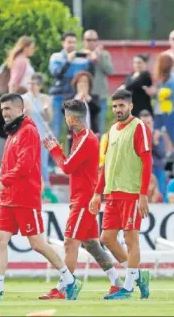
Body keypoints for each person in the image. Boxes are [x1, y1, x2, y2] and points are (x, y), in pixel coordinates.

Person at [0, 93, 79, 302]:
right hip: (9, 197)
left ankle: (70, 280)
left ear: (20, 110)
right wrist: (5, 185)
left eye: (8, 109)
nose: (4, 113)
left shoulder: (28, 131)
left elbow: (26, 165)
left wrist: (3, 182)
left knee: (37, 243)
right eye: (2, 110)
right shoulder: (12, 133)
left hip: (25, 197)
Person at [41, 99, 123, 300]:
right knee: (92, 245)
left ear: (71, 118)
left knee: (70, 242)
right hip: (84, 197)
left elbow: (67, 167)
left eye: (66, 117)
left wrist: (54, 150)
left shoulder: (86, 138)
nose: (66, 121)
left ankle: (64, 287)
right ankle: (118, 283)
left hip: (84, 199)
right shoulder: (82, 137)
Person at [89, 89, 152, 300]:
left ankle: (127, 288)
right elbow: (106, 165)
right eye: (114, 106)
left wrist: (143, 194)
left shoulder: (139, 127)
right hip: (112, 194)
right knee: (106, 238)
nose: (117, 109)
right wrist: (97, 193)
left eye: (121, 105)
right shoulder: (112, 130)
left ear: (130, 106)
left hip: (131, 193)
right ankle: (138, 276)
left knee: (130, 239)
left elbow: (147, 161)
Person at [49, 32, 93, 144]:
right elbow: (56, 74)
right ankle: (51, 162)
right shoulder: (56, 57)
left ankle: (72, 159)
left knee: (75, 133)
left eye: (74, 42)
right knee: (55, 131)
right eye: (69, 42)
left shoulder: (81, 59)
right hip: (58, 98)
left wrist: (92, 60)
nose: (72, 45)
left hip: (73, 99)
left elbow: (89, 76)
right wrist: (68, 61)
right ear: (63, 43)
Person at [22, 73, 58, 203]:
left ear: (40, 86)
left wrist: (46, 109)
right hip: (28, 136)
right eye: (30, 83)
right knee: (29, 163)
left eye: (34, 84)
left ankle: (46, 189)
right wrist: (25, 111)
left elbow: (49, 118)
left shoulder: (45, 98)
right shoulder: (24, 98)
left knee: (42, 163)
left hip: (42, 136)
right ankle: (29, 189)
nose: (31, 86)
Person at [81, 30, 114, 134]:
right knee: (82, 129)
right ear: (83, 41)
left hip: (100, 97)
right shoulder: (79, 54)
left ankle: (99, 150)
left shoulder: (104, 54)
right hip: (83, 97)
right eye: (88, 40)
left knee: (99, 129)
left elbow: (110, 71)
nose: (91, 42)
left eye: (94, 40)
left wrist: (98, 58)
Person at [146, 53, 174, 145]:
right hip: (159, 111)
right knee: (155, 132)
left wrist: (155, 92)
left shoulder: (172, 79)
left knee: (172, 136)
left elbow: (170, 95)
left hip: (169, 112)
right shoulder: (162, 79)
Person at [139, 110, 167, 200]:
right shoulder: (136, 135)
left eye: (149, 123)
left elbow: (162, 154)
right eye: (143, 123)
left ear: (152, 123)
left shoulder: (158, 136)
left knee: (159, 195)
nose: (146, 125)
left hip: (156, 168)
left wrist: (155, 142)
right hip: (140, 169)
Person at [67, 71, 101, 136]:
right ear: (76, 84)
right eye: (80, 82)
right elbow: (65, 111)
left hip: (91, 134)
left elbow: (97, 110)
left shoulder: (94, 98)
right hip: (74, 136)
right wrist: (77, 99)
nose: (82, 84)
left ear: (89, 85)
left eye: (85, 82)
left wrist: (87, 97)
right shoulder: (70, 98)